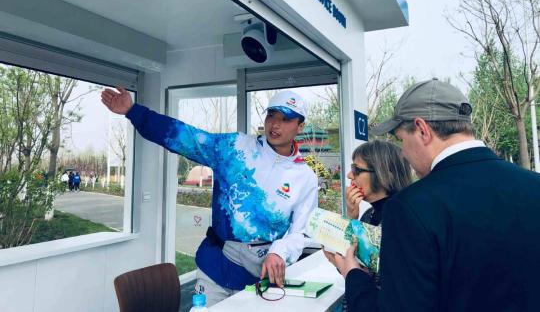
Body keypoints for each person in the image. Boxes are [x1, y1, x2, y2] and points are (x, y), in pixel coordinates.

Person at [332, 79, 540, 312]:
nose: (402, 153)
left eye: (401, 140)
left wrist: (353, 275)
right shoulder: (534, 186)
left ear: (422, 130)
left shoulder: (410, 207)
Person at [101, 87, 317, 306]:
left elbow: (301, 232)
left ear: (300, 126)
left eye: (286, 119)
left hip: (260, 275)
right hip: (216, 266)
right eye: (271, 115)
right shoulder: (235, 147)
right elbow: (186, 138)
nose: (275, 124)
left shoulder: (305, 177)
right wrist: (133, 111)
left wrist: (280, 252)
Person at [324, 140, 411, 312]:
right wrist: (350, 218)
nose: (349, 175)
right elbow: (352, 263)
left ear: (383, 173)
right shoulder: (368, 214)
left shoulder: (403, 219)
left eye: (356, 170)